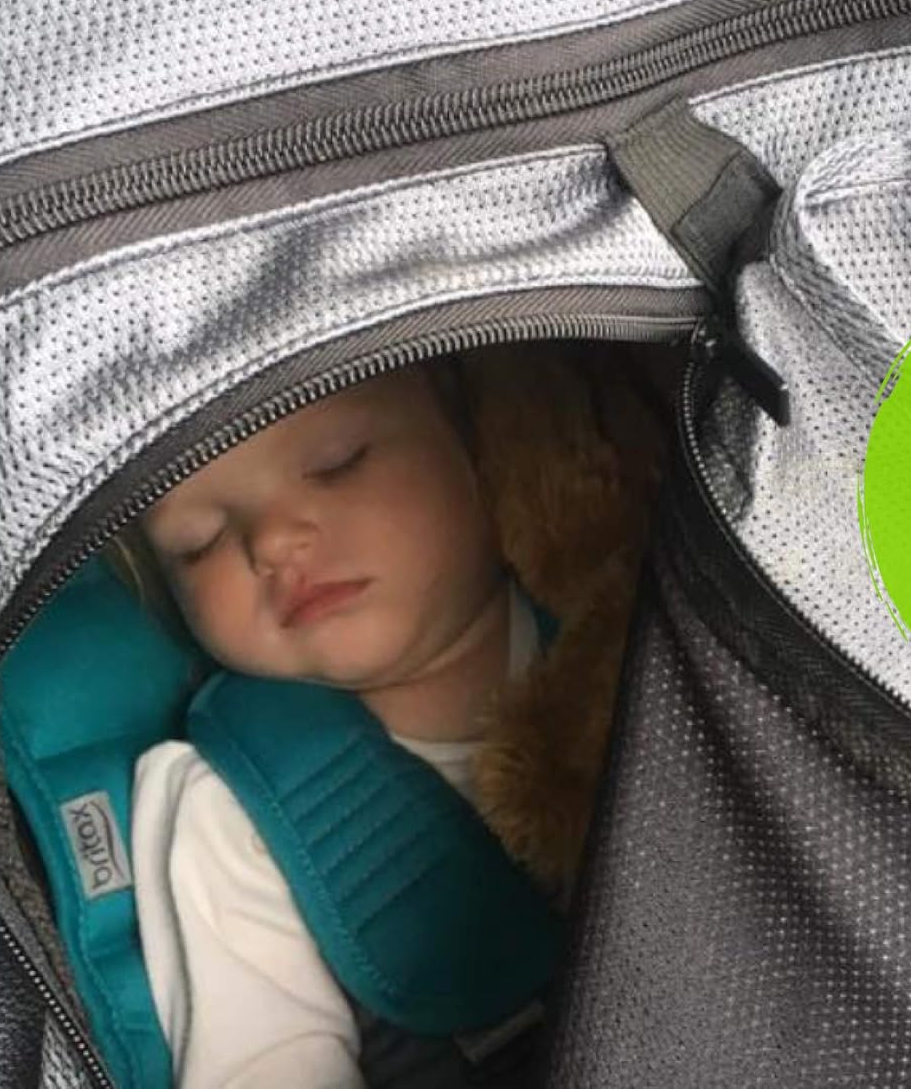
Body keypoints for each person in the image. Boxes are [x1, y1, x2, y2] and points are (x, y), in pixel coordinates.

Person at [110, 356, 590, 1088]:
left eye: (338, 464)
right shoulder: (234, 812)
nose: (272, 542)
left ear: (475, 438)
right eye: (199, 542)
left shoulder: (637, 632)